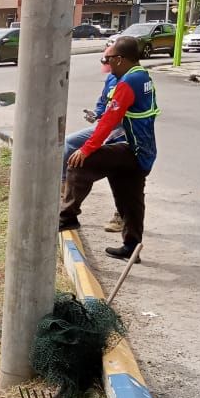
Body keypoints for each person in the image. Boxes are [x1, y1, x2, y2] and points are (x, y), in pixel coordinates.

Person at [60, 36, 159, 262]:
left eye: (109, 58)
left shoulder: (127, 83)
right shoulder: (143, 77)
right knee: (130, 200)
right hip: (144, 151)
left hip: (131, 148)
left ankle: (67, 217)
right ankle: (131, 247)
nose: (107, 63)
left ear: (120, 59)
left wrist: (86, 149)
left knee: (79, 162)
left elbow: (109, 121)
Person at [62, 44, 126, 233]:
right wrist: (97, 113)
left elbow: (116, 117)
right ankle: (64, 191)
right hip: (105, 126)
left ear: (120, 61)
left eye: (110, 64)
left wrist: (87, 149)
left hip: (122, 131)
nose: (109, 69)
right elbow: (103, 102)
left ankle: (122, 214)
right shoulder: (112, 78)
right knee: (70, 144)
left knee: (119, 174)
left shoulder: (131, 83)